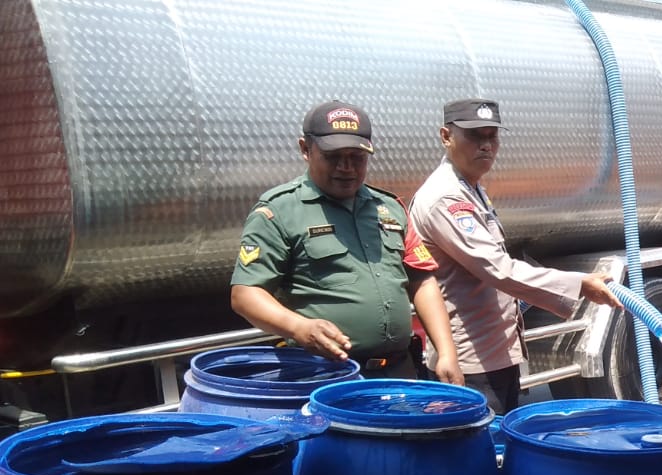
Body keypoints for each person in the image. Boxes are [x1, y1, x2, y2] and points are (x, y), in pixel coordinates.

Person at [408, 98, 619, 414]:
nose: (486, 145)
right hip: (472, 365)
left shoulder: (470, 187)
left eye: (491, 136)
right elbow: (497, 269)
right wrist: (579, 284)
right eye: (475, 136)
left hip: (494, 356)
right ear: (446, 136)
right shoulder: (445, 197)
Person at [231, 101, 462, 384]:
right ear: (305, 149)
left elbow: (422, 281)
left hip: (399, 373)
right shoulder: (279, 211)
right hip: (326, 377)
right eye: (333, 156)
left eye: (357, 157)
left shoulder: (389, 208)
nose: (346, 167)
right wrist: (299, 327)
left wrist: (446, 351)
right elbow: (245, 294)